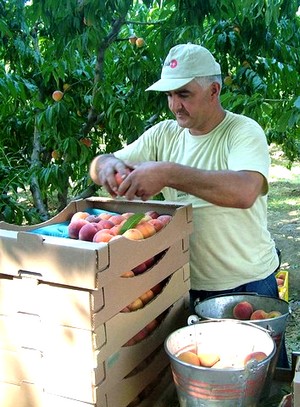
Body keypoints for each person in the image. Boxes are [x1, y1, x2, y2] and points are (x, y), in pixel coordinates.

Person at [89, 43, 288, 366]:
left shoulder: (242, 132)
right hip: (184, 287)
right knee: (202, 385)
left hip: (246, 285)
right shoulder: (164, 135)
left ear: (213, 90)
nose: (174, 106)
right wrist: (108, 165)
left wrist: (168, 173)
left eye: (183, 94)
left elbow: (245, 191)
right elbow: (96, 165)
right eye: (169, 96)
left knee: (260, 386)